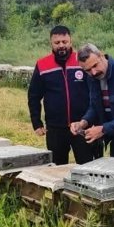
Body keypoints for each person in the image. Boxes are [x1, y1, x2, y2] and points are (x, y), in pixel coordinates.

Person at [27, 25, 100, 165]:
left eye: (64, 42)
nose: (61, 46)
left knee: (87, 166)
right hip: (55, 128)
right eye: (57, 43)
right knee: (56, 168)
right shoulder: (42, 65)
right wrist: (36, 122)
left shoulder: (82, 62)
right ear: (51, 43)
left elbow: (94, 93)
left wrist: (94, 120)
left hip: (82, 125)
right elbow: (34, 95)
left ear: (71, 41)